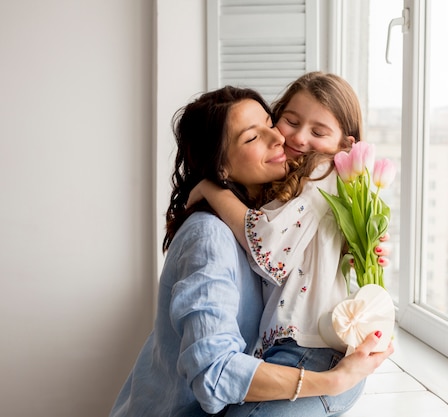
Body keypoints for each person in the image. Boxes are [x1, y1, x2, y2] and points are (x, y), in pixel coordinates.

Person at [109, 86, 392, 417]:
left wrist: (355, 245)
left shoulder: (284, 211)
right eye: (251, 138)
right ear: (222, 169)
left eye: (270, 124)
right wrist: (333, 381)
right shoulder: (210, 237)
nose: (281, 140)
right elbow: (214, 374)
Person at [187, 73, 387, 417]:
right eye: (290, 121)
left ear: (345, 146)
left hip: (311, 353)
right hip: (305, 352)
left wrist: (211, 190)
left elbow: (267, 247)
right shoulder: (303, 183)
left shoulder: (322, 172)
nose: (297, 137)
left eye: (318, 132)